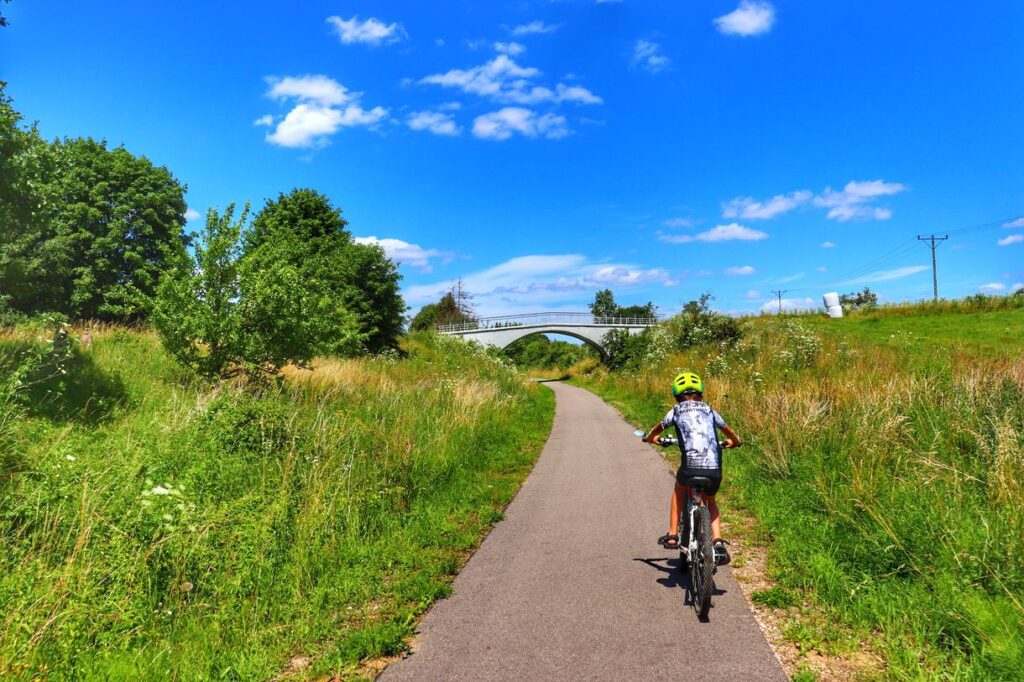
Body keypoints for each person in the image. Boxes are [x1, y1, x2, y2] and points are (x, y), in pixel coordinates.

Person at [643, 371, 741, 565]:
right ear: (700, 393)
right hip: (714, 469)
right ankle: (718, 542)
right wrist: (735, 442)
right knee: (710, 501)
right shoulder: (709, 410)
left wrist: (650, 437)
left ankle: (672, 534)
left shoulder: (677, 410)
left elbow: (658, 427)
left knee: (679, 489)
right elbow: (728, 430)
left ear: (677, 395)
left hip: (690, 467)